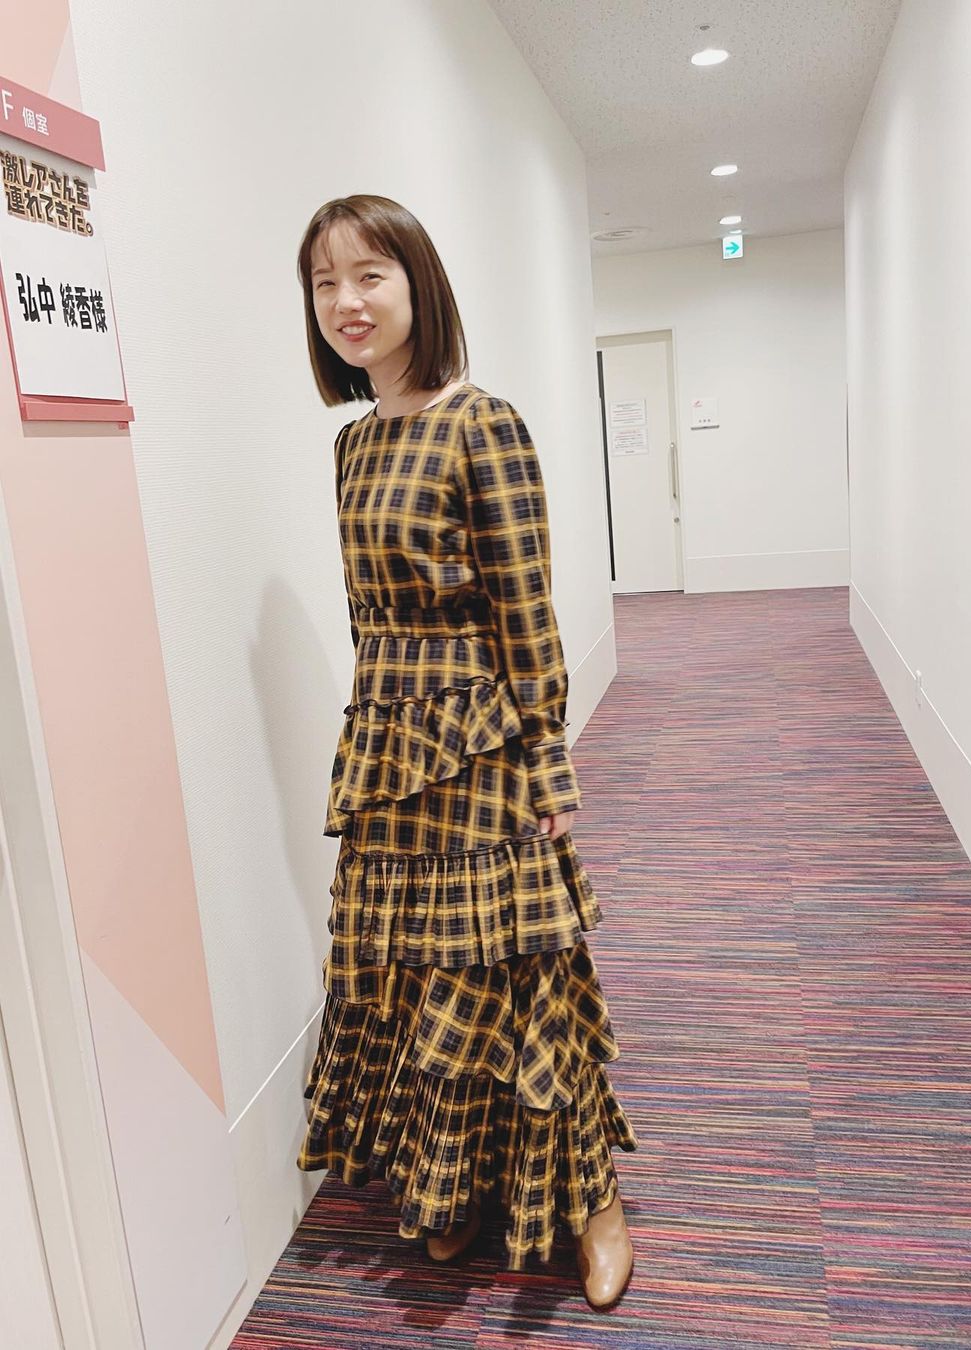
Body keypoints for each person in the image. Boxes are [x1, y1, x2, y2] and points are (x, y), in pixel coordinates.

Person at [294, 194, 636, 1310]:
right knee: (413, 975)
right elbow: (365, 617)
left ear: (418, 286)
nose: (346, 302)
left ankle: (593, 1204)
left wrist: (547, 758)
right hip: (388, 743)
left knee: (522, 969)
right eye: (325, 284)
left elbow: (524, 609)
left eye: (369, 276)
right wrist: (366, 737)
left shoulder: (482, 423)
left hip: (480, 740)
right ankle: (455, 1187)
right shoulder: (353, 444)